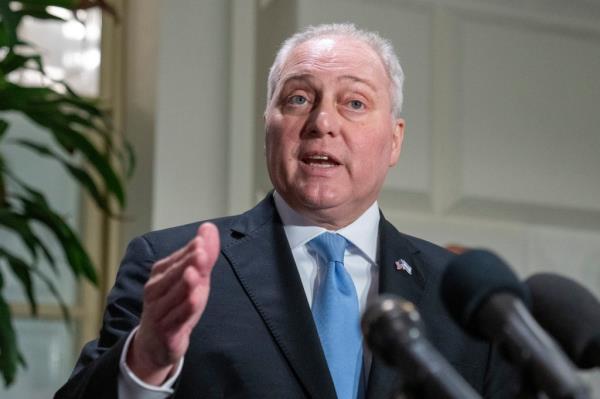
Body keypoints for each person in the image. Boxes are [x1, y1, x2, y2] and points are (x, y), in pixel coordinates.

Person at [55, 23, 515, 399]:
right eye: (298, 99)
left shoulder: (462, 296)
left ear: (394, 139)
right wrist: (146, 362)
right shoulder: (172, 264)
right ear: (268, 127)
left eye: (354, 103)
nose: (322, 123)